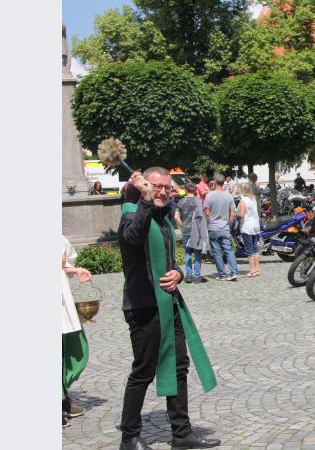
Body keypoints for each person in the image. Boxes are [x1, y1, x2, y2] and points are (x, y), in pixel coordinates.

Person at [118, 169, 219, 450]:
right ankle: (129, 439)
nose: (163, 192)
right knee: (143, 371)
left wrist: (178, 272)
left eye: (166, 188)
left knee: (178, 367)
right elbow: (133, 238)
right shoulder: (131, 212)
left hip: (168, 301)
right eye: (156, 187)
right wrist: (145, 200)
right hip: (144, 306)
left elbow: (168, 262)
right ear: (144, 186)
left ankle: (182, 434)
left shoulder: (162, 218)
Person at [61, 235, 91, 428]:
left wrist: (77, 269)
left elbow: (62, 265)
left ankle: (62, 398)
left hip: (62, 304)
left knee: (75, 350)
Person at [205, 174, 239, 281]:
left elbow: (207, 213)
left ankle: (222, 275)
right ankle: (234, 273)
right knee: (229, 250)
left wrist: (209, 223)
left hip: (213, 227)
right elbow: (233, 214)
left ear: (214, 181)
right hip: (224, 227)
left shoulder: (209, 196)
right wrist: (228, 225)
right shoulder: (229, 196)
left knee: (216, 251)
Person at [176, 184, 207, 284]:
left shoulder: (181, 201)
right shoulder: (199, 201)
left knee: (187, 252)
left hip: (186, 231)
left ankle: (189, 275)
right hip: (197, 230)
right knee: (197, 252)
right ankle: (197, 276)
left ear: (185, 189)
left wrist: (182, 225)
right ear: (195, 190)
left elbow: (176, 216)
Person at [238, 183, 262, 277]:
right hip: (255, 225)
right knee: (255, 247)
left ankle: (252, 270)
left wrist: (236, 214)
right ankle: (257, 270)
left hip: (247, 226)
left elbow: (242, 215)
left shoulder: (243, 200)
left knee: (249, 248)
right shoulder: (253, 199)